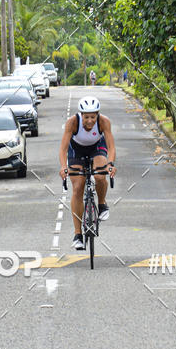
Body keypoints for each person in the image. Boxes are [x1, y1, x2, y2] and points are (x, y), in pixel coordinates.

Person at [59, 96, 116, 250]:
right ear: (81, 115)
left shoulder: (104, 122)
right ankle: (78, 234)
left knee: (99, 174)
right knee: (77, 187)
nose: (90, 121)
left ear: (97, 115)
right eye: (86, 117)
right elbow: (63, 149)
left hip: (97, 147)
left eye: (93, 117)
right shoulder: (72, 123)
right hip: (75, 150)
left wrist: (110, 164)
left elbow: (111, 147)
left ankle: (102, 204)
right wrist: (64, 167)